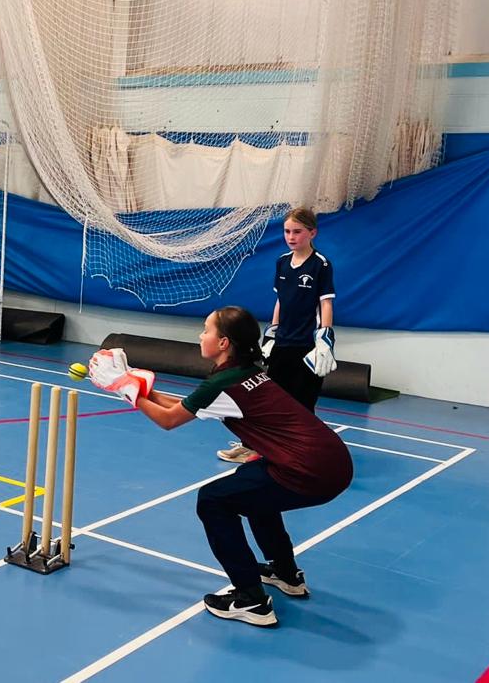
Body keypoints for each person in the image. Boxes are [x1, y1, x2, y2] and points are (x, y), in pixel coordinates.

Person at [89, 306, 352, 627]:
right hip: (329, 458)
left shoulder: (226, 382)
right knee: (251, 484)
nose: (201, 336)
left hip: (311, 469)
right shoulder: (243, 373)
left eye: (206, 330)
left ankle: (251, 600)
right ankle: (286, 574)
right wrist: (139, 386)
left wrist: (125, 390)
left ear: (224, 342)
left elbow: (169, 420)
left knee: (214, 501)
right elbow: (188, 406)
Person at [218, 206, 337, 463]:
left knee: (303, 404)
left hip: (307, 348)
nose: (291, 236)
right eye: (287, 231)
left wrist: (325, 340)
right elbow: (280, 302)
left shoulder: (321, 265)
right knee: (268, 400)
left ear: (312, 233)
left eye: (298, 231)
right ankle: (252, 446)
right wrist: (271, 335)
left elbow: (326, 303)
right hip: (282, 345)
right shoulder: (282, 262)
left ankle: (304, 452)